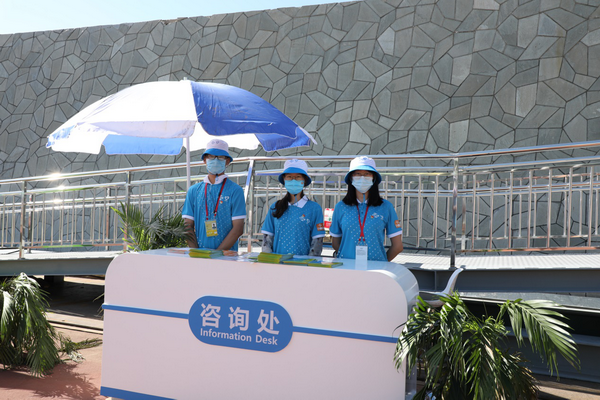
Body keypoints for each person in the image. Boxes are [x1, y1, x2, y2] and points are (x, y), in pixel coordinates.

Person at [329, 156, 403, 261]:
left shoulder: (386, 207)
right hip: (346, 267)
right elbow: (335, 243)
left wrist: (382, 263)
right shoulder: (340, 207)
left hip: (376, 269)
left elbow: (398, 246)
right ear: (351, 178)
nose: (362, 177)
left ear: (374, 178)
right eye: (357, 174)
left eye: (367, 174)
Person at [182, 139, 246, 252]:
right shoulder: (194, 191)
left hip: (227, 256)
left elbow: (238, 228)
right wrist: (197, 254)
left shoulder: (235, 190)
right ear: (205, 160)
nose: (215, 160)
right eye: (211, 157)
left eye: (220, 157)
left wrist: (217, 255)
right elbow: (187, 226)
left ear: (227, 161)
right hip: (200, 256)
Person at [261, 159, 325, 255]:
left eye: (298, 177)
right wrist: (269, 261)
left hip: (303, 263)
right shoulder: (275, 207)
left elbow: (317, 242)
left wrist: (310, 262)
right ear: (284, 179)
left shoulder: (314, 208)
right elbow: (267, 240)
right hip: (278, 263)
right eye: (289, 177)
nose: (293, 180)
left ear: (304, 180)